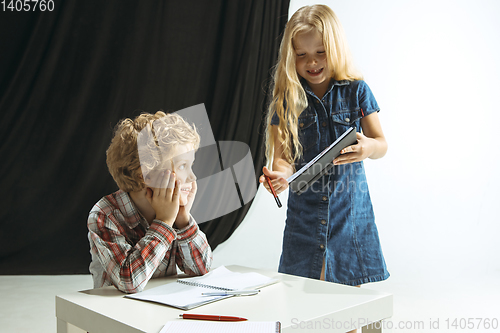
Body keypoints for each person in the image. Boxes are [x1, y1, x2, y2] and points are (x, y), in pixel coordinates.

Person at [260, 3, 389, 302]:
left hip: (349, 216)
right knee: (304, 302)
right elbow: (283, 158)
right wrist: (280, 175)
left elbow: (381, 143)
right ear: (291, 56)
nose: (312, 62)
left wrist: (368, 147)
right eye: (302, 54)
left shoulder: (356, 90)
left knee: (347, 303)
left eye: (320, 52)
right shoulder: (287, 98)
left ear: (335, 48)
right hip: (304, 219)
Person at [88, 111, 212, 293]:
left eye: (190, 165)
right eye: (183, 166)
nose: (193, 176)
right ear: (145, 175)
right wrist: (163, 223)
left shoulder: (174, 211)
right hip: (116, 312)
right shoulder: (105, 214)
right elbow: (129, 281)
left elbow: (201, 269)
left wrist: (183, 218)